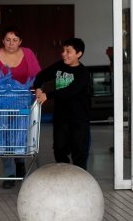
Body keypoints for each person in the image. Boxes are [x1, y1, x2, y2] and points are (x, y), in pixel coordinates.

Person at [0, 26, 41, 189]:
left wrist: (37, 91)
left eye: (15, 40)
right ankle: (9, 172)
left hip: (22, 102)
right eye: (8, 40)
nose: (11, 43)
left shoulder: (27, 53)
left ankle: (20, 161)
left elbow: (38, 76)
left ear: (20, 41)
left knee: (19, 133)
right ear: (3, 41)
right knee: (2, 135)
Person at [33, 38, 91, 170]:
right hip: (61, 118)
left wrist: (48, 95)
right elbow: (41, 75)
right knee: (59, 149)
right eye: (63, 50)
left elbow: (70, 91)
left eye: (68, 51)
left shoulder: (83, 73)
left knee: (79, 151)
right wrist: (38, 88)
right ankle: (64, 176)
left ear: (79, 54)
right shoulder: (60, 66)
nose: (64, 54)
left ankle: (79, 181)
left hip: (79, 120)